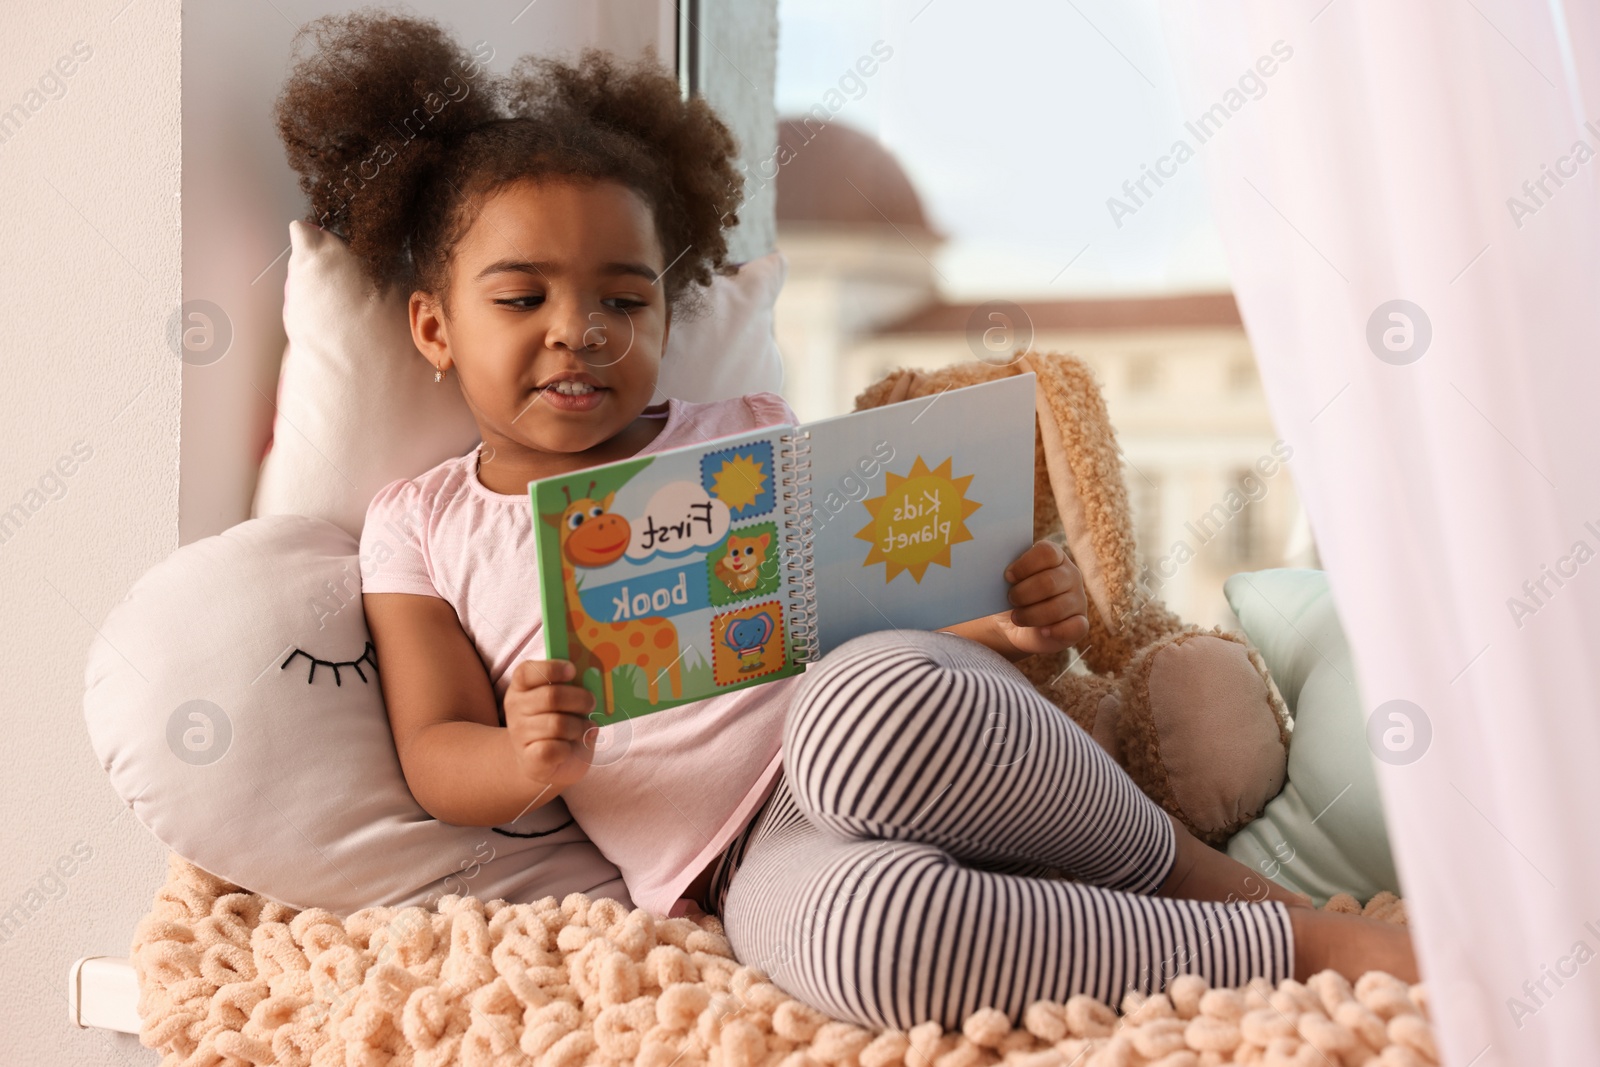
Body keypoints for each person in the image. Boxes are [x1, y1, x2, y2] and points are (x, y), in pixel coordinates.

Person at [275, 11, 1418, 1031]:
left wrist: (1013, 628)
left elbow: (873, 620)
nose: (580, 330)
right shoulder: (418, 523)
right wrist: (527, 756)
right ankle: (1269, 951)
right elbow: (433, 753)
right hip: (735, 854)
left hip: (889, 724)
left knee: (854, 717)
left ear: (667, 313)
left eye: (624, 299)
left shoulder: (746, 433)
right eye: (522, 297)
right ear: (433, 327)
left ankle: (1231, 892)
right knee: (878, 943)